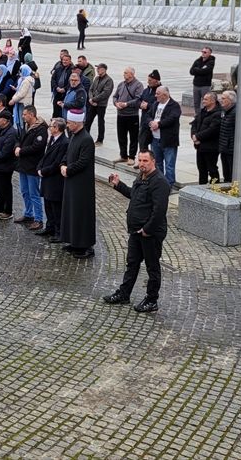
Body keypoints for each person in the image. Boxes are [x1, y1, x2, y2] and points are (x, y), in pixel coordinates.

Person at [104, 151, 171, 313]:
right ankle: (124, 294)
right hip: (136, 231)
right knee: (132, 263)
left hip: (150, 233)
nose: (142, 163)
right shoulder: (141, 177)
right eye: (139, 160)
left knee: (152, 267)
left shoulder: (160, 182)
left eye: (145, 160)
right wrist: (118, 184)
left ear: (153, 161)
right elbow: (134, 196)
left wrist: (147, 230)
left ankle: (151, 300)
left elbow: (159, 211)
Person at [60, 110, 97, 258]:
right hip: (72, 181)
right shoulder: (74, 136)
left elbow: (83, 161)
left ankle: (85, 246)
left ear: (76, 123)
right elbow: (67, 154)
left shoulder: (87, 139)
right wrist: (63, 164)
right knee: (71, 212)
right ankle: (74, 241)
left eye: (69, 123)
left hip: (82, 184)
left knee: (81, 214)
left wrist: (68, 169)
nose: (67, 126)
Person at [36, 118, 70, 241]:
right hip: (47, 178)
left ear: (57, 129)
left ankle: (58, 232)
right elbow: (46, 156)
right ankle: (49, 227)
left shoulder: (64, 143)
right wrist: (39, 167)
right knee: (48, 205)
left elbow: (57, 163)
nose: (49, 128)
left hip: (55, 180)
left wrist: (43, 171)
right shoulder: (52, 139)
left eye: (51, 126)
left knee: (56, 208)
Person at [14, 106, 47, 231]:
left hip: (33, 165)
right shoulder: (26, 126)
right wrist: (17, 147)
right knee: (24, 191)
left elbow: (37, 147)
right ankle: (28, 214)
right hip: (23, 165)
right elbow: (18, 138)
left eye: (25, 114)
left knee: (34, 193)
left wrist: (21, 151)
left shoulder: (41, 129)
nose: (23, 116)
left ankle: (38, 219)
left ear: (32, 115)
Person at [148, 86, 181, 186]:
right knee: (157, 163)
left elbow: (172, 118)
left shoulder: (174, 105)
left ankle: (169, 185)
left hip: (168, 140)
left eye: (158, 93)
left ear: (165, 95)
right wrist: (150, 123)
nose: (155, 95)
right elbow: (148, 115)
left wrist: (158, 124)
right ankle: (159, 183)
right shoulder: (155, 104)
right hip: (155, 139)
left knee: (169, 164)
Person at [190, 92, 221, 184]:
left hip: (211, 147)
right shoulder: (203, 111)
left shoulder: (218, 113)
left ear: (213, 101)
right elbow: (194, 124)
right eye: (203, 99)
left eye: (206, 99)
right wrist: (194, 136)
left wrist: (198, 137)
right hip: (200, 147)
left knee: (212, 169)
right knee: (201, 169)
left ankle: (215, 187)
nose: (203, 101)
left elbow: (212, 130)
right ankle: (201, 186)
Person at [86, 63, 113, 145]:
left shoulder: (108, 80)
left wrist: (94, 99)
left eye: (99, 68)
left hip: (101, 104)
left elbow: (105, 93)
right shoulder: (97, 78)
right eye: (97, 68)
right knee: (88, 121)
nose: (98, 70)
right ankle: (85, 137)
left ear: (104, 69)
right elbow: (91, 89)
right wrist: (91, 98)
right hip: (92, 103)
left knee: (100, 122)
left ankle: (100, 139)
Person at [137, 69, 161, 151]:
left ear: (156, 81)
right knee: (142, 142)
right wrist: (140, 104)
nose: (148, 82)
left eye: (150, 80)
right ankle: (143, 160)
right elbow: (139, 100)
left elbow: (161, 105)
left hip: (155, 123)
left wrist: (148, 105)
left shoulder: (160, 91)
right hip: (144, 122)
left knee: (155, 147)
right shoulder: (146, 91)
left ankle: (153, 162)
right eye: (148, 80)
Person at [217, 91, 237, 183]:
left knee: (231, 172)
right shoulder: (224, 110)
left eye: (223, 98)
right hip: (224, 147)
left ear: (230, 100)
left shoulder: (236, 112)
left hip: (231, 148)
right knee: (226, 173)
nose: (221, 100)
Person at [11, 64, 36, 131]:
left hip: (23, 103)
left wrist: (13, 100)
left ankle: (21, 134)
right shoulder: (23, 79)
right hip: (21, 102)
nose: (20, 72)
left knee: (22, 121)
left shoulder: (26, 81)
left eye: (21, 70)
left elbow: (22, 93)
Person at [50, 50, 73, 119]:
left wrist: (65, 89)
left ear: (70, 61)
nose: (64, 61)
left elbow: (72, 82)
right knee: (55, 110)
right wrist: (56, 87)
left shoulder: (72, 70)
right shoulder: (58, 68)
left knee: (63, 111)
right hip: (57, 92)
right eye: (63, 60)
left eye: (66, 60)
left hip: (66, 94)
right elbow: (53, 79)